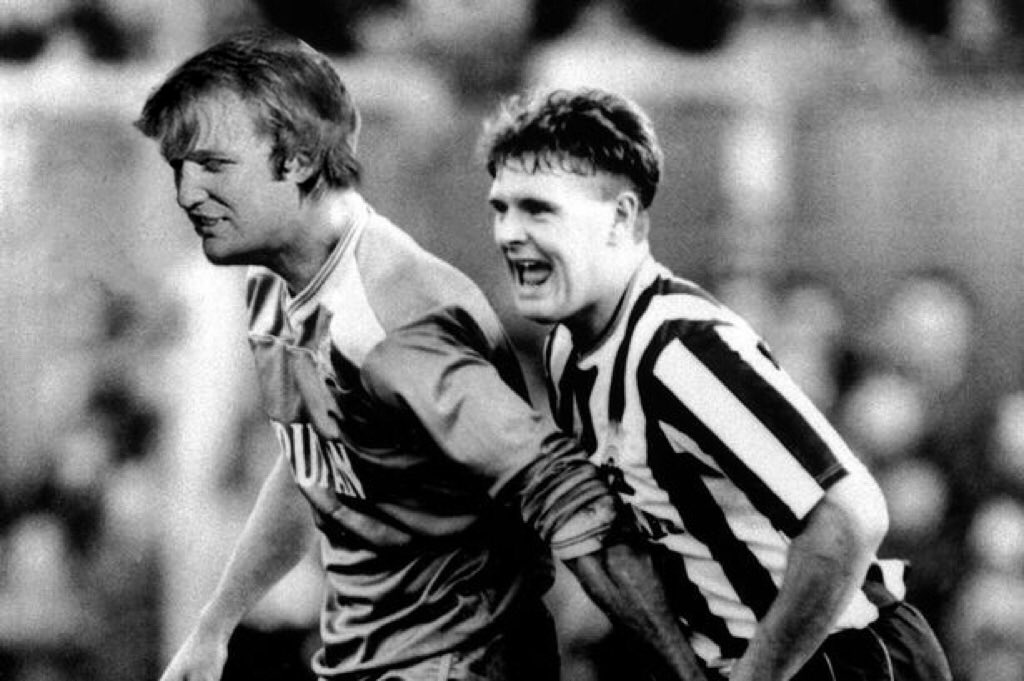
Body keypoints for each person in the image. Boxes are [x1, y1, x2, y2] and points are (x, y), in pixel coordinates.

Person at [135, 31, 707, 681]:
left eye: (214, 165)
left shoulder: (393, 317)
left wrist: (685, 672)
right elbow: (309, 466)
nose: (188, 193)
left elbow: (567, 494)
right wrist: (215, 626)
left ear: (295, 161)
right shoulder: (272, 284)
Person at [479, 87, 954, 681]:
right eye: (502, 209)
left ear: (620, 217)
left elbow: (851, 516)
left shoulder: (678, 349)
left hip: (845, 659)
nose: (508, 233)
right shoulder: (566, 351)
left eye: (538, 210)